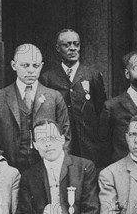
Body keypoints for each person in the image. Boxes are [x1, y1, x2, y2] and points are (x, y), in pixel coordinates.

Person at [0, 43, 71, 173]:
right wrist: (0, 160)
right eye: (25, 65)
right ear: (14, 65)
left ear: (41, 66)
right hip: (9, 168)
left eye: (35, 65)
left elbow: (65, 136)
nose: (31, 70)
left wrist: (57, 165)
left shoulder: (54, 97)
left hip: (45, 169)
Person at [40, 29, 107, 168]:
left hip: (89, 142)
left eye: (76, 44)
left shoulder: (92, 75)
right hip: (62, 141)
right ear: (58, 48)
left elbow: (101, 110)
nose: (72, 49)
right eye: (67, 45)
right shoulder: (48, 78)